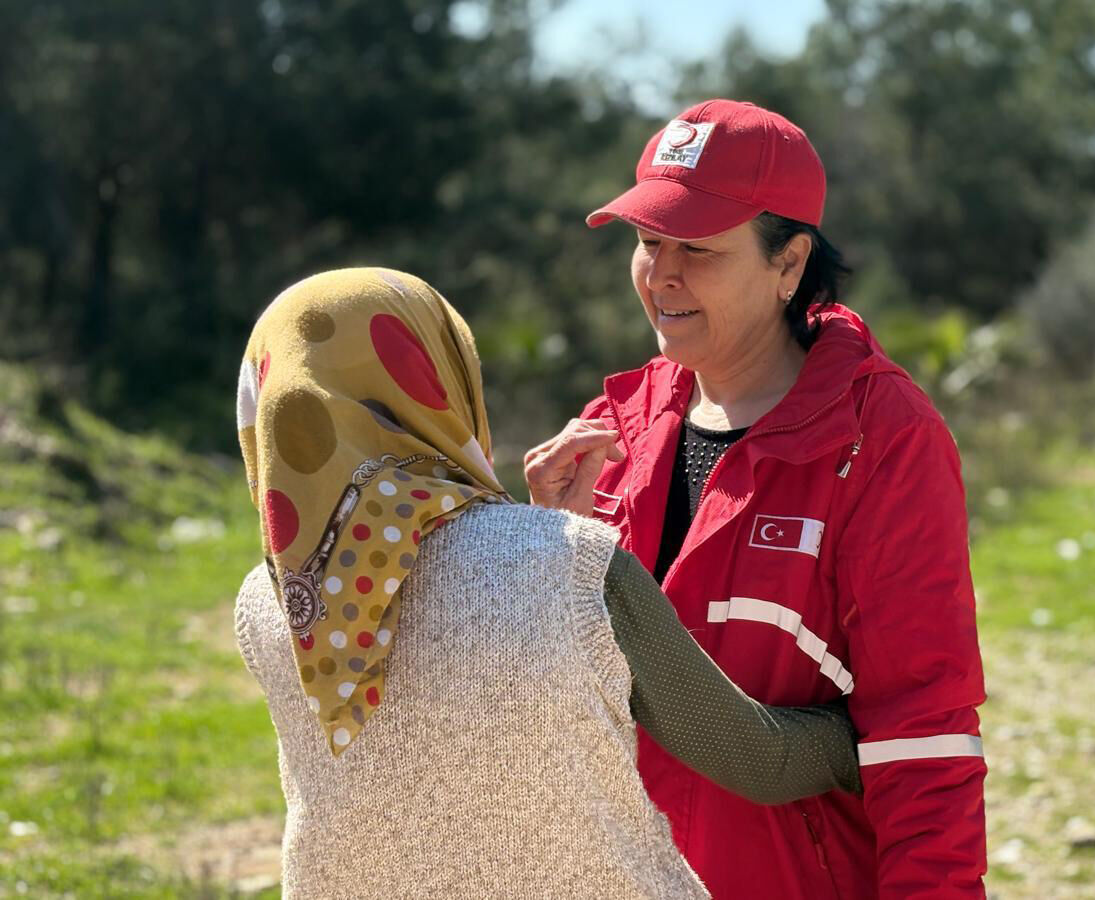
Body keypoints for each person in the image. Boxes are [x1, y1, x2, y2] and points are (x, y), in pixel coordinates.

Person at [232, 267, 860, 898]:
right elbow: (753, 757)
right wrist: (885, 736)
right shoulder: (563, 565)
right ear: (440, 382)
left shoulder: (271, 604)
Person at [524, 99, 987, 898]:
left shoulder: (884, 440)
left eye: (697, 249)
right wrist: (541, 549)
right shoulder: (609, 432)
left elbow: (923, 738)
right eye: (646, 242)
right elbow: (562, 714)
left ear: (789, 262)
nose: (661, 273)